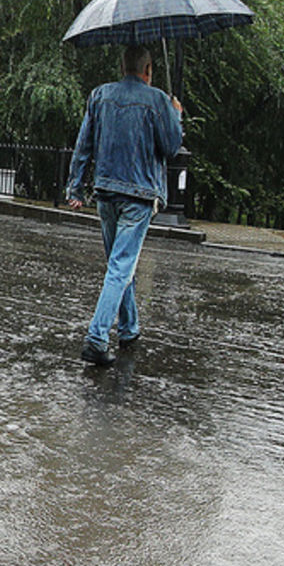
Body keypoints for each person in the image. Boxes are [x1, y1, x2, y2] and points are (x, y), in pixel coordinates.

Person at [66, 44, 183, 367]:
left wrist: (75, 186)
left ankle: (129, 329)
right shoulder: (158, 99)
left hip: (105, 192)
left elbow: (83, 144)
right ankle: (96, 338)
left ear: (123, 67)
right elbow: (172, 147)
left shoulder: (99, 95)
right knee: (121, 267)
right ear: (148, 71)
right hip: (139, 195)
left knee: (119, 265)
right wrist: (175, 115)